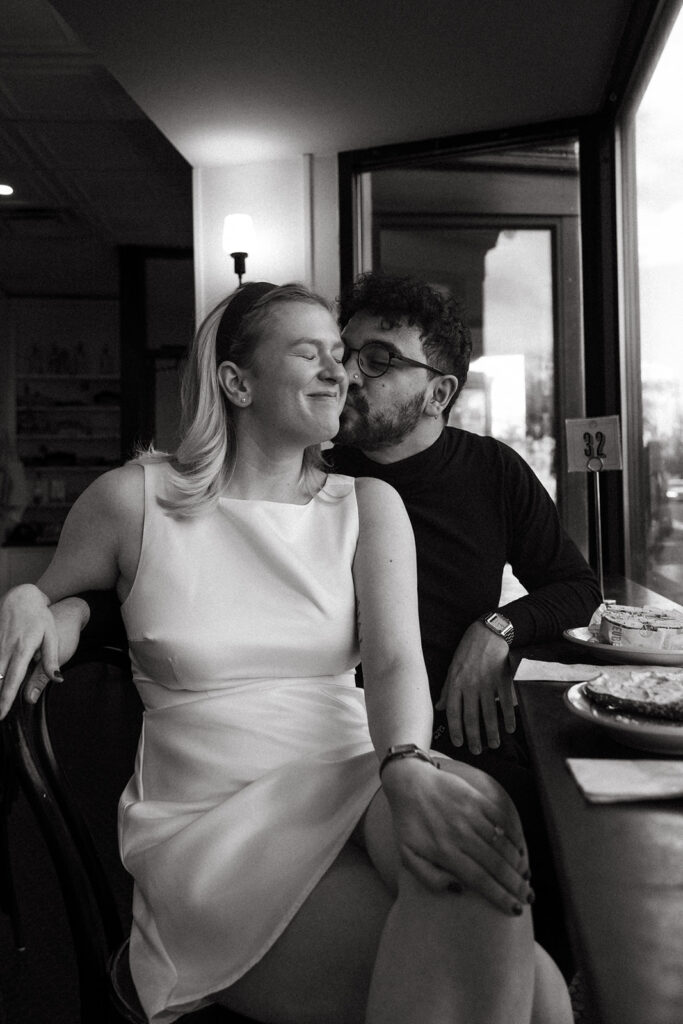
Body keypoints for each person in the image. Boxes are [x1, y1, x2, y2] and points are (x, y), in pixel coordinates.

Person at [0, 283, 571, 1024]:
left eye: (343, 356)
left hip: (351, 765)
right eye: (314, 353)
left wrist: (403, 763)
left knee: (474, 811)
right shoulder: (129, 500)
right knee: (535, 992)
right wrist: (32, 599)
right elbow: (55, 603)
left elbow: (395, 661)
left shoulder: (366, 505)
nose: (342, 373)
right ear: (236, 382)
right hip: (216, 817)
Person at [330, 271, 602, 977]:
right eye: (345, 351)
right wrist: (68, 601)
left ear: (440, 392)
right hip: (338, 737)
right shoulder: (311, 474)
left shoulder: (490, 469)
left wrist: (498, 626)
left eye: (381, 359)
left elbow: (575, 588)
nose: (350, 373)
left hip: (465, 728)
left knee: (566, 837)